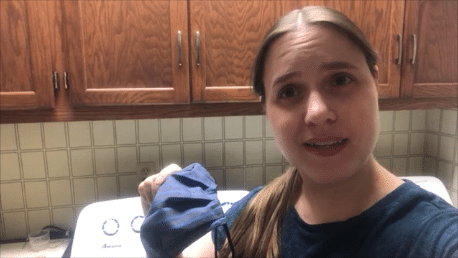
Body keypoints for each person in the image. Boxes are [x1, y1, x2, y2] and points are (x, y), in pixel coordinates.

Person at [138, 6, 458, 258]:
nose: (317, 113)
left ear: (374, 81)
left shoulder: (437, 238)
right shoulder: (255, 217)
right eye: (289, 92)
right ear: (267, 109)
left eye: (339, 80)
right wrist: (163, 224)